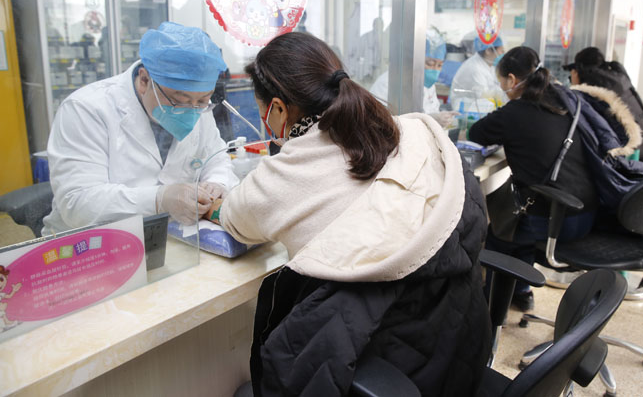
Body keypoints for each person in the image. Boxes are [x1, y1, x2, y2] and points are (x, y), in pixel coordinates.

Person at [204, 32, 490, 396]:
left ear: (277, 109)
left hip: (386, 361)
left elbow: (234, 219)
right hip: (458, 345)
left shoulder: (282, 175)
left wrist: (213, 206)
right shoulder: (413, 131)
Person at [469, 47, 642, 311]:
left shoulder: (515, 112)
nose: (502, 88)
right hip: (591, 211)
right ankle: (521, 293)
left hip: (559, 220)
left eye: (501, 82)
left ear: (512, 80)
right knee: (520, 224)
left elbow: (476, 133)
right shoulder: (568, 101)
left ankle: (491, 308)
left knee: (501, 233)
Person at [43, 22, 237, 234]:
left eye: (202, 101)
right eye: (179, 101)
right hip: (90, 242)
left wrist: (217, 183)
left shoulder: (197, 108)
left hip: (171, 236)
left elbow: (216, 157)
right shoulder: (86, 109)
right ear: (144, 80)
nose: (192, 111)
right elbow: (77, 204)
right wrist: (159, 199)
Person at [563, 46, 643, 161]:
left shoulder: (593, 90)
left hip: (630, 154)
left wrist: (575, 85)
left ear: (579, 72)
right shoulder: (615, 78)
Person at [369, 30, 457, 128]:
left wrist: (441, 118)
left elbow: (432, 109)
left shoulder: (427, 84)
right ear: (413, 59)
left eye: (439, 65)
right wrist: (428, 119)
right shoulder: (388, 82)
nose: (435, 70)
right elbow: (379, 122)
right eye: (430, 64)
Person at [449, 35, 506, 114]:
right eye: (501, 51)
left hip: (480, 106)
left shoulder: (489, 65)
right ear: (488, 51)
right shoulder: (475, 68)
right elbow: (483, 94)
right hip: (466, 110)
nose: (503, 54)